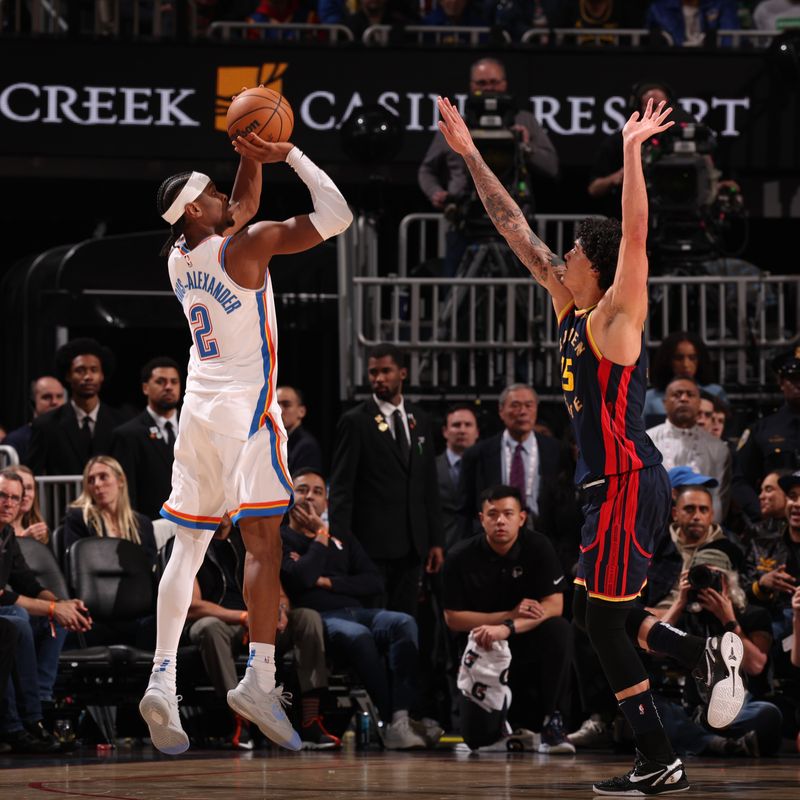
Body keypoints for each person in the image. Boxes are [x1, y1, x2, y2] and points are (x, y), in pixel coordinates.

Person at [436, 92, 745, 794]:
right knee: (588, 613)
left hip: (629, 480)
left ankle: (691, 683)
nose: (561, 252)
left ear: (595, 267)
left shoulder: (614, 320)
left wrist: (633, 152)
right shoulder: (566, 301)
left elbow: (634, 238)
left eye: (574, 248)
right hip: (604, 487)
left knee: (603, 625)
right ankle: (676, 712)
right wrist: (471, 154)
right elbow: (512, 225)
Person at [139, 124, 352, 756]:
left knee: (189, 544)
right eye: (208, 192)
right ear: (197, 213)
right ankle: (260, 680)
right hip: (248, 413)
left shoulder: (181, 254)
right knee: (262, 541)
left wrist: (247, 158)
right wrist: (288, 154)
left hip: (198, 411)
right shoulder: (248, 247)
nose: (218, 193)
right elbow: (335, 215)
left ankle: (162, 676)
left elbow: (240, 206)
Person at [280, 467, 441, 749]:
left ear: (326, 503)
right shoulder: (281, 538)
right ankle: (395, 722)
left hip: (357, 611)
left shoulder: (342, 537)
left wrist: (325, 581)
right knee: (358, 636)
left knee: (404, 622)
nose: (309, 497)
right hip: (319, 619)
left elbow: (373, 581)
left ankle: (399, 717)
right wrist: (320, 536)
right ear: (288, 496)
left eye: (318, 492)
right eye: (302, 490)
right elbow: (299, 579)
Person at [186, 513, 338, 750]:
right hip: (219, 622)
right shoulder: (190, 543)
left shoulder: (247, 539)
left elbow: (277, 590)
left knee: (307, 618)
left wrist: (282, 611)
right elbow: (192, 605)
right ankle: (240, 720)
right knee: (210, 628)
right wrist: (243, 617)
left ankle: (310, 718)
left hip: (256, 621)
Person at [443, 485, 574, 754]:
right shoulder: (459, 555)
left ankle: (553, 721)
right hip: (481, 647)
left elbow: (555, 605)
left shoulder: (538, 546)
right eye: (492, 514)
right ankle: (493, 723)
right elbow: (453, 618)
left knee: (559, 629)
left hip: (526, 640)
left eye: (507, 513)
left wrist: (508, 627)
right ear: (481, 519)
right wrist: (507, 617)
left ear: (521, 518)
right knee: (477, 741)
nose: (500, 520)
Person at [328, 343, 444, 617]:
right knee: (375, 622)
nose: (378, 378)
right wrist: (341, 543)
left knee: (406, 622)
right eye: (373, 373)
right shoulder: (355, 421)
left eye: (386, 371)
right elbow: (341, 488)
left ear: (402, 373)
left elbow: (428, 485)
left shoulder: (420, 419)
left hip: (413, 546)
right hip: (370, 547)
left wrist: (436, 540)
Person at [418, 57, 559, 278]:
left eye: (494, 82)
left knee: (528, 289)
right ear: (471, 86)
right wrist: (436, 193)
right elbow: (426, 169)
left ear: (505, 84)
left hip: (516, 225)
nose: (488, 89)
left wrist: (524, 146)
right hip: (465, 222)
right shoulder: (457, 123)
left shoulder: (524, 121)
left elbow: (551, 166)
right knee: (454, 291)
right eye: (481, 84)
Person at [0, 470, 92, 753]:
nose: (9, 503)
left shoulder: (5, 534)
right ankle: (21, 722)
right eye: (3, 495)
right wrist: (54, 607)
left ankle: (39, 705)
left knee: (54, 621)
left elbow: (26, 581)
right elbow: (6, 595)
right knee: (19, 621)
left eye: (15, 498)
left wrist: (62, 605)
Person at [458, 383, 565, 537]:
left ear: (536, 409)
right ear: (501, 411)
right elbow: (465, 510)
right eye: (515, 405)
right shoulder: (477, 454)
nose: (522, 412)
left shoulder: (556, 451)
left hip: (545, 537)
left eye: (529, 405)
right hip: (493, 538)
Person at [27, 338, 125, 477]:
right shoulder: (46, 425)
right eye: (80, 370)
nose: (88, 377)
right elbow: (32, 475)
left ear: (102, 375)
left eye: (94, 370)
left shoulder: (121, 422)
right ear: (68, 375)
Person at [646, 378, 732, 522]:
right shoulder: (646, 442)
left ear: (699, 403)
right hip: (654, 529)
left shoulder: (718, 448)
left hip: (701, 530)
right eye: (677, 394)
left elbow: (718, 498)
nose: (684, 398)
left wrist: (707, 536)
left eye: (690, 395)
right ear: (664, 403)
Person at [733, 348, 800, 522]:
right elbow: (740, 480)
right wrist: (761, 512)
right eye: (794, 378)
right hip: (777, 524)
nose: (799, 383)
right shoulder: (762, 429)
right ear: (781, 382)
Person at [111, 357, 182, 520]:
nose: (169, 387)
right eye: (161, 382)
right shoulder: (128, 434)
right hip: (150, 526)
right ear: (145, 388)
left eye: (174, 382)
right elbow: (127, 493)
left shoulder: (194, 429)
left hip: (193, 524)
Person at [62, 455, 158, 567]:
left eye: (103, 477)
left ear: (121, 481)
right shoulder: (79, 518)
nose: (96, 484)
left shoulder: (143, 523)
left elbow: (151, 569)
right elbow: (76, 564)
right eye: (91, 480)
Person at [644, 331, 727, 427]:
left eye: (692, 358)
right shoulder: (649, 399)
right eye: (678, 358)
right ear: (667, 360)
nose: (685, 365)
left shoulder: (715, 393)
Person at [437, 404, 479, 552]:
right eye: (456, 425)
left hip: (479, 547)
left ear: (477, 432)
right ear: (445, 431)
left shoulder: (487, 467)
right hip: (440, 549)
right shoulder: (429, 467)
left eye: (468, 425)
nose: (462, 430)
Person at [1, 376, 65, 464]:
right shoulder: (15, 440)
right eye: (46, 397)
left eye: (59, 396)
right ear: (33, 402)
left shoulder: (71, 434)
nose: (54, 402)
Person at [646, 0, 740, 47]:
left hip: (712, 62)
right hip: (673, 62)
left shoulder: (722, 4)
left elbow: (729, 41)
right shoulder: (659, 9)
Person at [277, 385, 323, 474]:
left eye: (286, 405)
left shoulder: (307, 446)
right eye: (275, 405)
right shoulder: (269, 441)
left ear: (301, 411)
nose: (279, 410)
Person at [10, 465, 49, 545]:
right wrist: (24, 541)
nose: (26, 494)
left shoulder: (39, 529)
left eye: (29, 488)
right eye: (21, 487)